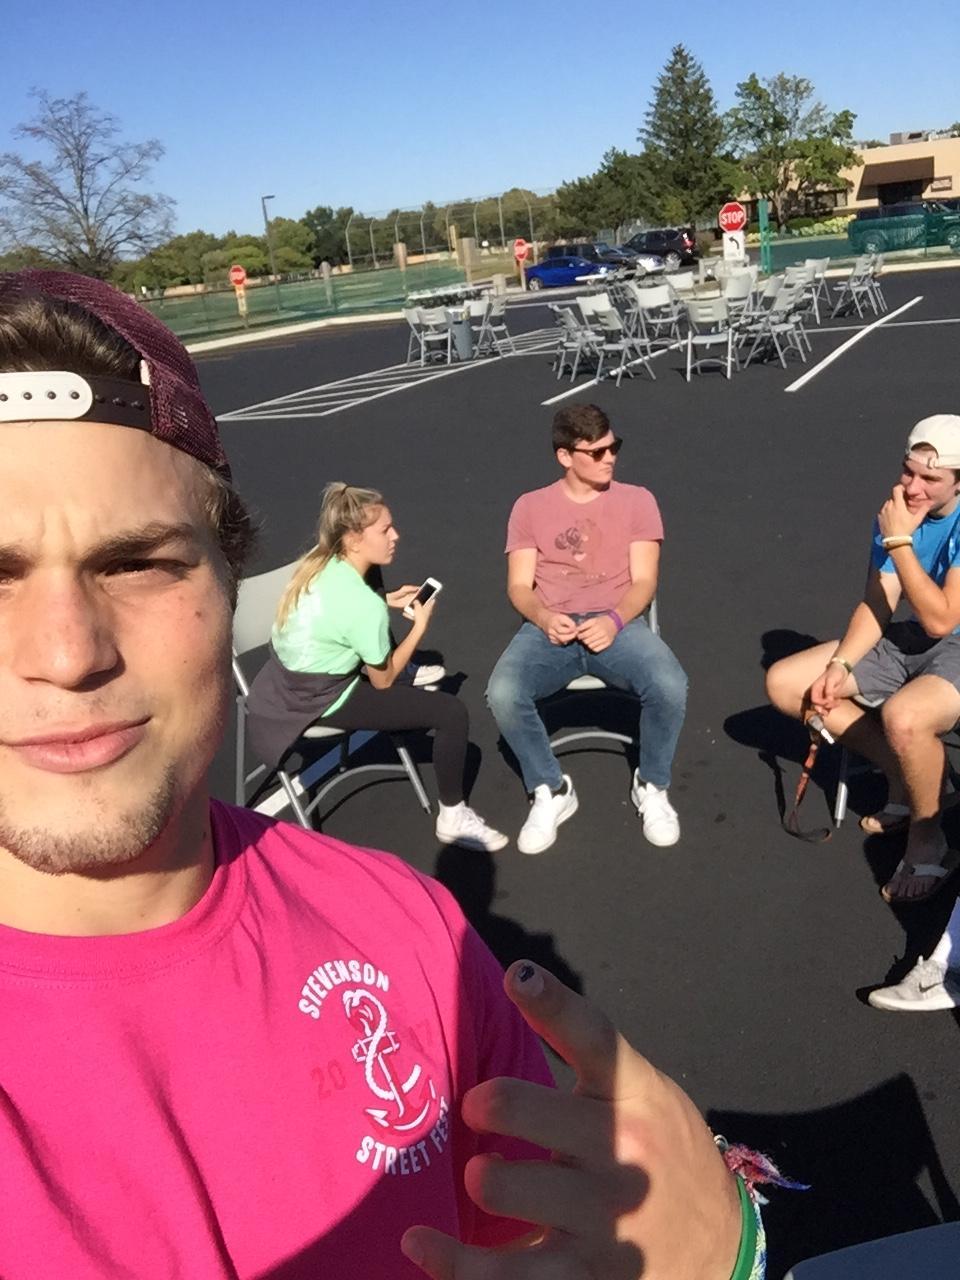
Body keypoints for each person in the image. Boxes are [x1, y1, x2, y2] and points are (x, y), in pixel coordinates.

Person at [0, 270, 757, 1279]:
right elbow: (412, 657)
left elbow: (546, 1248)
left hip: (487, 667)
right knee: (465, 704)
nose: (67, 652)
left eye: (137, 562)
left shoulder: (413, 927)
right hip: (353, 696)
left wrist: (722, 1253)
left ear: (229, 582)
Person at [246, 483, 506, 852]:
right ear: (353, 539)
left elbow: (340, 611)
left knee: (374, 582)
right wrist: (418, 628)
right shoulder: (363, 607)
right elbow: (382, 681)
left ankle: (389, 654)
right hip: (320, 698)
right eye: (385, 530)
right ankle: (452, 816)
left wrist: (384, 600)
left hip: (278, 682)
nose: (395, 535)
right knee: (451, 713)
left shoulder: (319, 561)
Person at [766, 415, 960, 905]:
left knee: (905, 717)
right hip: (913, 637)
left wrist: (900, 541)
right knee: (787, 683)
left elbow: (942, 619)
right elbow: (879, 601)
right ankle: (907, 777)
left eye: (930, 478)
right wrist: (842, 665)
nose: (912, 487)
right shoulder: (896, 514)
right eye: (908, 471)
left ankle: (928, 838)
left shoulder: (907, 526)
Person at [486, 404, 688, 853]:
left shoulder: (638, 500)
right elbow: (518, 586)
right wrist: (543, 617)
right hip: (548, 626)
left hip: (618, 622)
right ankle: (552, 788)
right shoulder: (529, 507)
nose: (609, 458)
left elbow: (644, 582)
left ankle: (652, 784)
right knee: (502, 693)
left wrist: (613, 621)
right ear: (565, 456)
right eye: (596, 452)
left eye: (613, 447)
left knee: (670, 685)